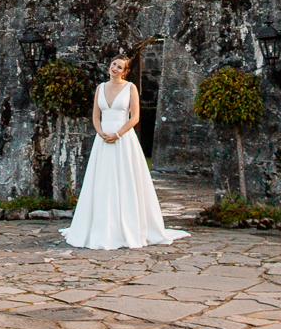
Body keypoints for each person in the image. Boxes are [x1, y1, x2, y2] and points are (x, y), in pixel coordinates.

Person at [61, 55, 189, 249]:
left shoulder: (130, 88)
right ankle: (100, 226)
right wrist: (101, 132)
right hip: (103, 140)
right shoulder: (100, 88)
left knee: (125, 180)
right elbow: (96, 116)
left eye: (119, 67)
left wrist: (118, 134)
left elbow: (135, 117)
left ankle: (127, 226)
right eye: (113, 64)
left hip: (123, 139)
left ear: (125, 71)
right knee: (102, 182)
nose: (115, 68)